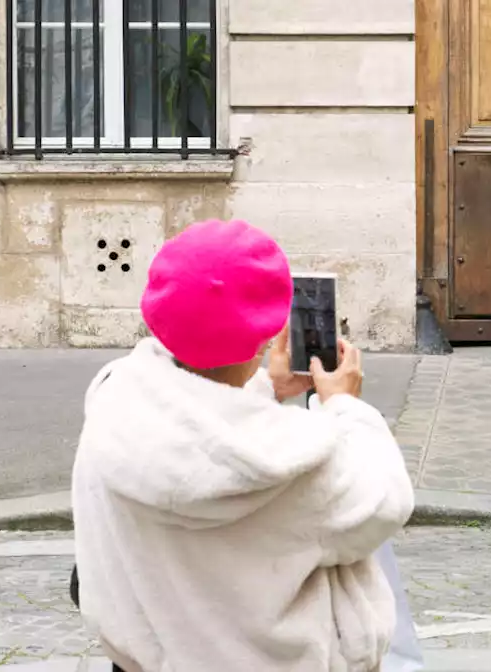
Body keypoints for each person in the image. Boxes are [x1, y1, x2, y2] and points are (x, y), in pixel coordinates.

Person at [70, 219, 416, 672]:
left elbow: (202, 428)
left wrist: (261, 389)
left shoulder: (115, 404)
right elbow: (384, 502)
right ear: (266, 334)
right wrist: (343, 406)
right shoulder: (296, 461)